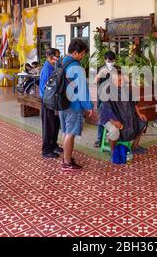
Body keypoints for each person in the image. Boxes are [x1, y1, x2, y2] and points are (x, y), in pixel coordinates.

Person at [59, 39, 93, 171]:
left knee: (66, 132)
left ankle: (65, 158)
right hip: (73, 106)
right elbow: (82, 89)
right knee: (70, 133)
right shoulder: (77, 67)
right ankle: (67, 163)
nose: (82, 57)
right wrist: (88, 106)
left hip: (62, 103)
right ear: (75, 52)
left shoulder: (61, 62)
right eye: (82, 54)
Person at [99, 69, 148, 153]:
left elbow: (134, 103)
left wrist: (139, 114)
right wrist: (114, 121)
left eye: (122, 80)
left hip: (125, 115)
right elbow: (106, 109)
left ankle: (135, 146)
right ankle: (113, 152)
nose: (122, 82)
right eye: (119, 80)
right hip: (109, 118)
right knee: (114, 130)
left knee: (143, 121)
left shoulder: (126, 89)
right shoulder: (107, 91)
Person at [39, 48, 62, 158]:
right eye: (57, 56)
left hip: (54, 102)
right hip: (48, 102)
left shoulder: (53, 67)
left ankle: (53, 145)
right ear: (50, 56)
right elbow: (45, 88)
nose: (58, 58)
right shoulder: (47, 69)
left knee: (55, 124)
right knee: (48, 126)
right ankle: (46, 149)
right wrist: (49, 102)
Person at [94, 51, 117, 148]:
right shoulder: (101, 68)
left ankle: (112, 137)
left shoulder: (118, 68)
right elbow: (95, 82)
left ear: (114, 60)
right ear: (105, 60)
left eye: (112, 61)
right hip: (103, 98)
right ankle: (99, 139)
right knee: (101, 120)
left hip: (115, 98)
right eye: (108, 61)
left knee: (114, 119)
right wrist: (99, 75)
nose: (110, 63)